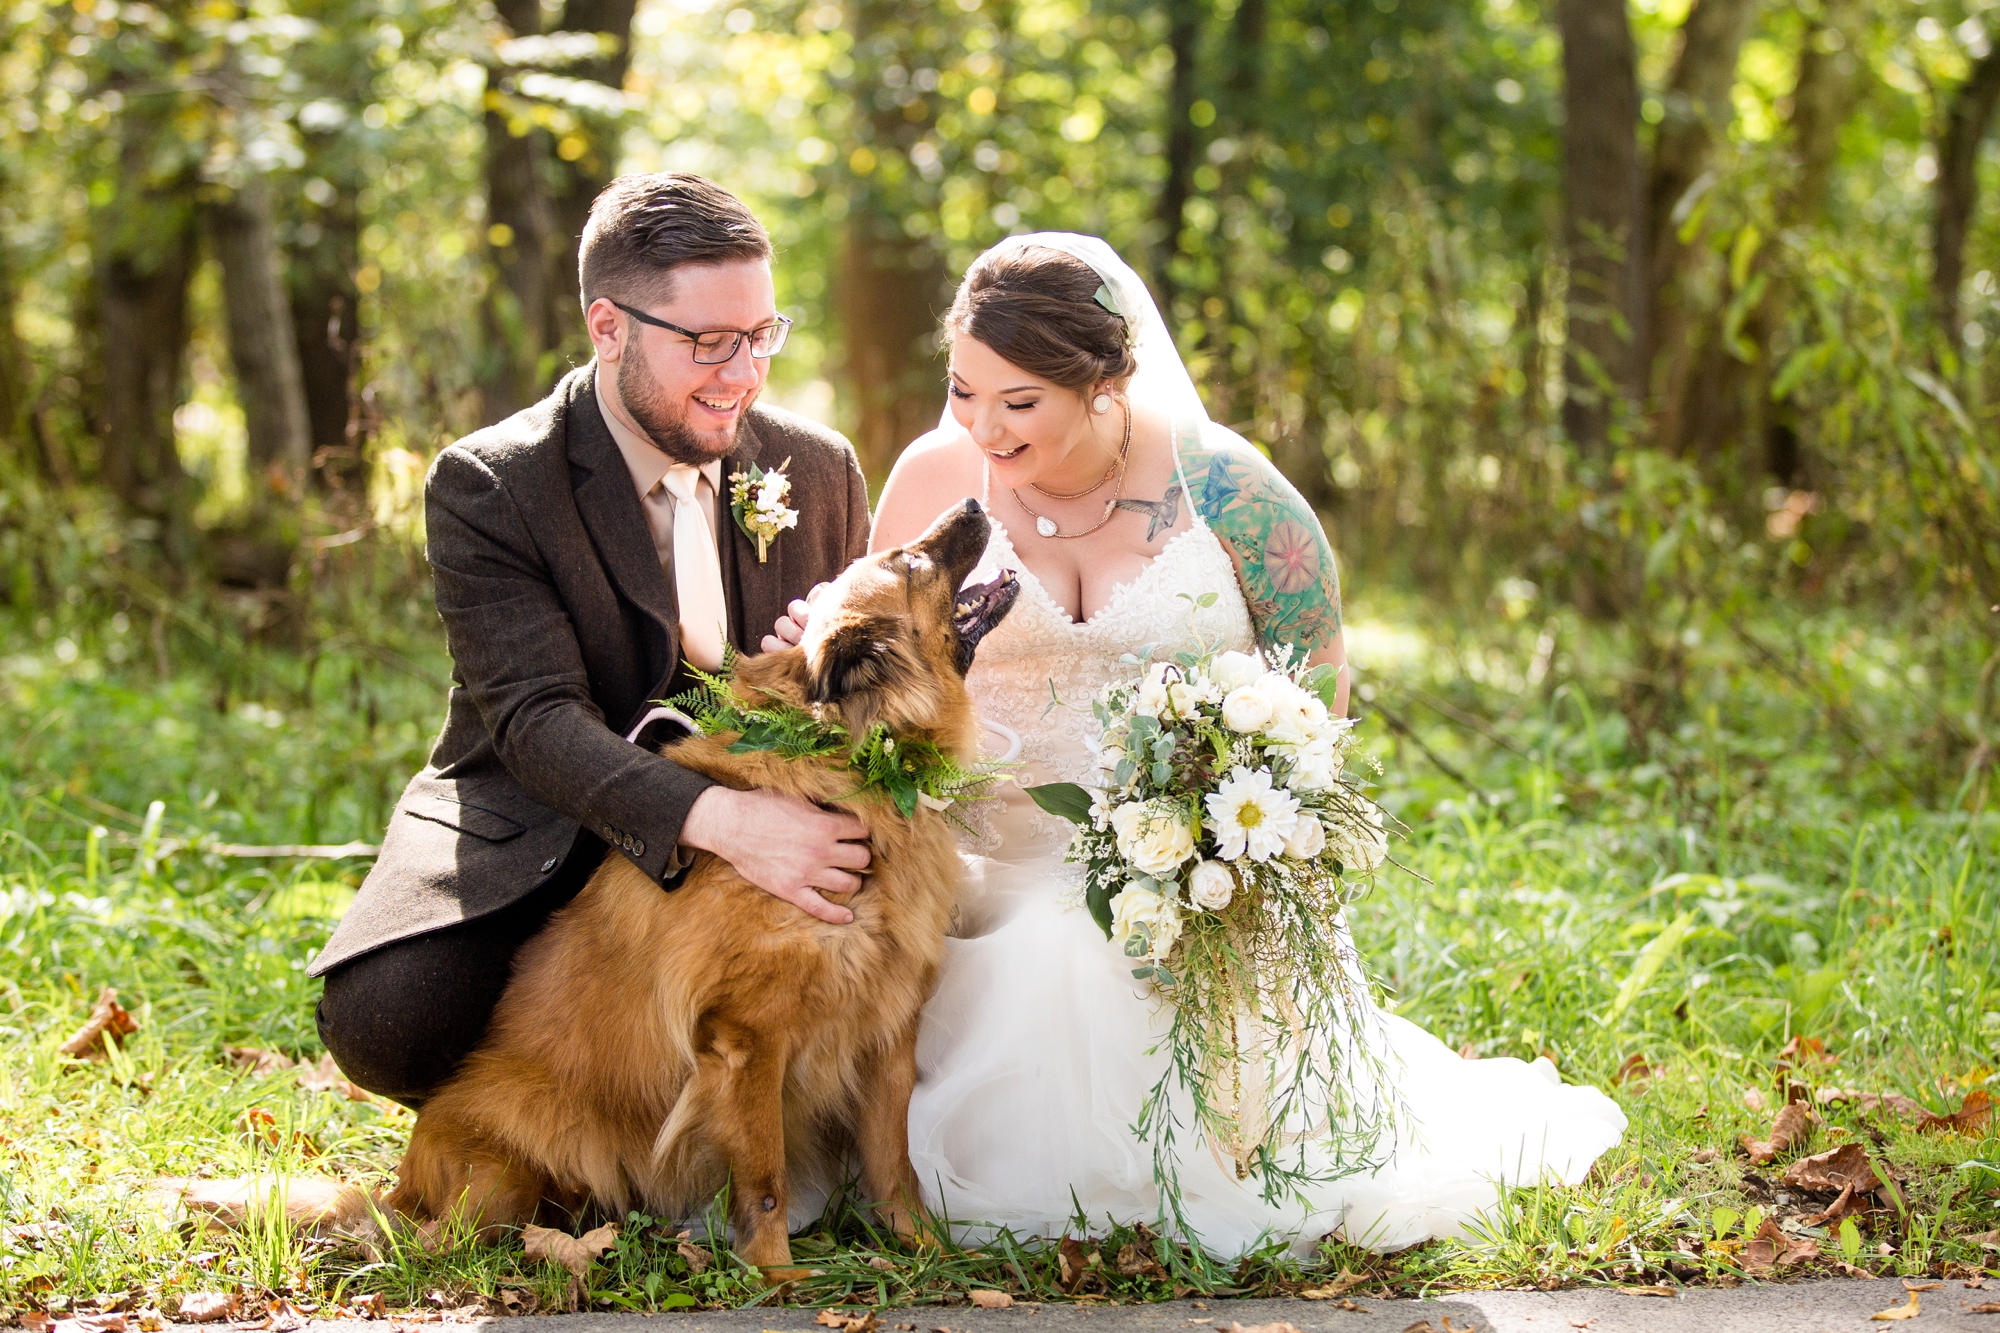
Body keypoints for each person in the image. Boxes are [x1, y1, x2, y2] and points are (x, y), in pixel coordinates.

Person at [791, 233, 1627, 1254]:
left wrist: (1224, 844)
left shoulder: (1236, 497)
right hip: (970, 861)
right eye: (964, 391)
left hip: (1189, 874)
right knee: (1035, 934)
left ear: (1104, 383)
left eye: (1019, 403)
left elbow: (1316, 715)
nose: (981, 426)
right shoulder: (931, 479)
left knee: (1085, 940)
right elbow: (884, 670)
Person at [310, 173, 875, 1108]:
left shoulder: (818, 467)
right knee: (390, 1021)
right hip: (554, 822)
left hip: (774, 810)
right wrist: (728, 826)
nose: (742, 373)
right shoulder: (493, 483)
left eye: (763, 335)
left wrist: (821, 660)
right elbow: (535, 723)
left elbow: (864, 686)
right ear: (608, 328)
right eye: (709, 343)